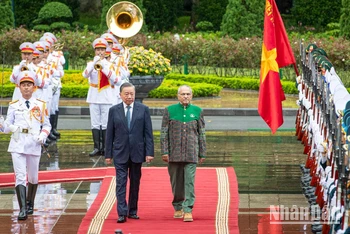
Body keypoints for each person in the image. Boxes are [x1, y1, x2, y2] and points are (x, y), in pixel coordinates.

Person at [0, 71, 51, 220]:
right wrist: (2, 125)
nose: (26, 88)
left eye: (29, 85)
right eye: (23, 85)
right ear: (19, 87)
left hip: (34, 142)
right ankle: (22, 209)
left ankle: (30, 203)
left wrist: (43, 135)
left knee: (33, 177)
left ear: (34, 87)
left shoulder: (40, 105)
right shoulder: (14, 105)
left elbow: (47, 125)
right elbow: (6, 127)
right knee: (20, 177)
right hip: (18, 142)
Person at [105, 82, 154, 223]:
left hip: (137, 152)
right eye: (126, 94)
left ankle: (133, 210)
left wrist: (149, 152)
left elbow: (148, 133)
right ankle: (122, 212)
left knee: (135, 183)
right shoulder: (114, 110)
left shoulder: (143, 109)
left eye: (132, 93)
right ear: (120, 95)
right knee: (120, 183)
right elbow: (110, 133)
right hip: (120, 152)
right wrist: (108, 154)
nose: (129, 96)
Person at [160, 85, 206, 222]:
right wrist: (164, 151)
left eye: (188, 94)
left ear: (191, 96)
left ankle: (188, 209)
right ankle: (178, 206)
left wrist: (202, 153)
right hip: (174, 154)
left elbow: (202, 134)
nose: (185, 96)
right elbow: (164, 133)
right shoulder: (169, 111)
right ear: (178, 96)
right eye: (183, 94)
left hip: (191, 153)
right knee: (176, 182)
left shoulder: (197, 111)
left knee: (189, 182)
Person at [82, 38, 120, 156]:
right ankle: (97, 147)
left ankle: (106, 148)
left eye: (102, 50)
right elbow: (84, 75)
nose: (100, 52)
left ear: (106, 51)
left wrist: (104, 67)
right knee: (95, 123)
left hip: (106, 97)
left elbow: (117, 80)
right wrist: (94, 64)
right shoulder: (91, 64)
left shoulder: (110, 65)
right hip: (93, 96)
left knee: (105, 123)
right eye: (97, 49)